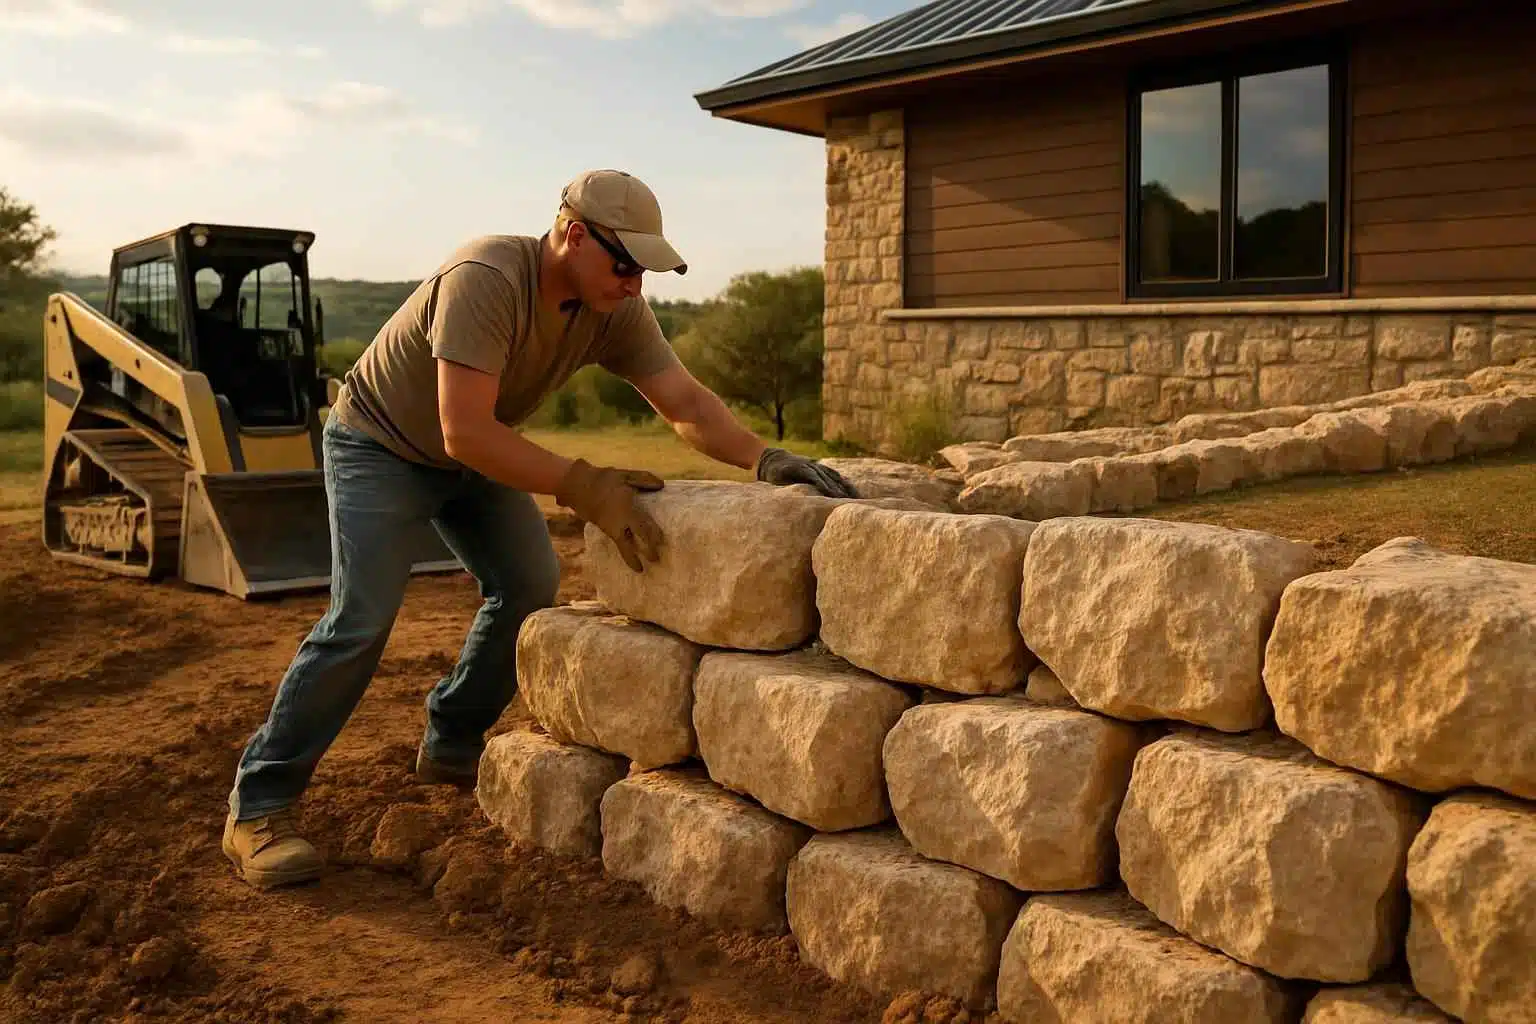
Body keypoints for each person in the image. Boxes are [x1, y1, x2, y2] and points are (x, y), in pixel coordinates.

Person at [222, 168, 857, 890]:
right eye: (625, 264)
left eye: (645, 271)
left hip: (479, 450)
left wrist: (764, 458)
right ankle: (260, 806)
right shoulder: (486, 276)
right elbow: (463, 432)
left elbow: (680, 399)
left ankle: (452, 741)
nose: (634, 285)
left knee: (529, 584)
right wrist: (584, 485)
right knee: (361, 618)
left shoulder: (612, 308)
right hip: (382, 444)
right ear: (573, 234)